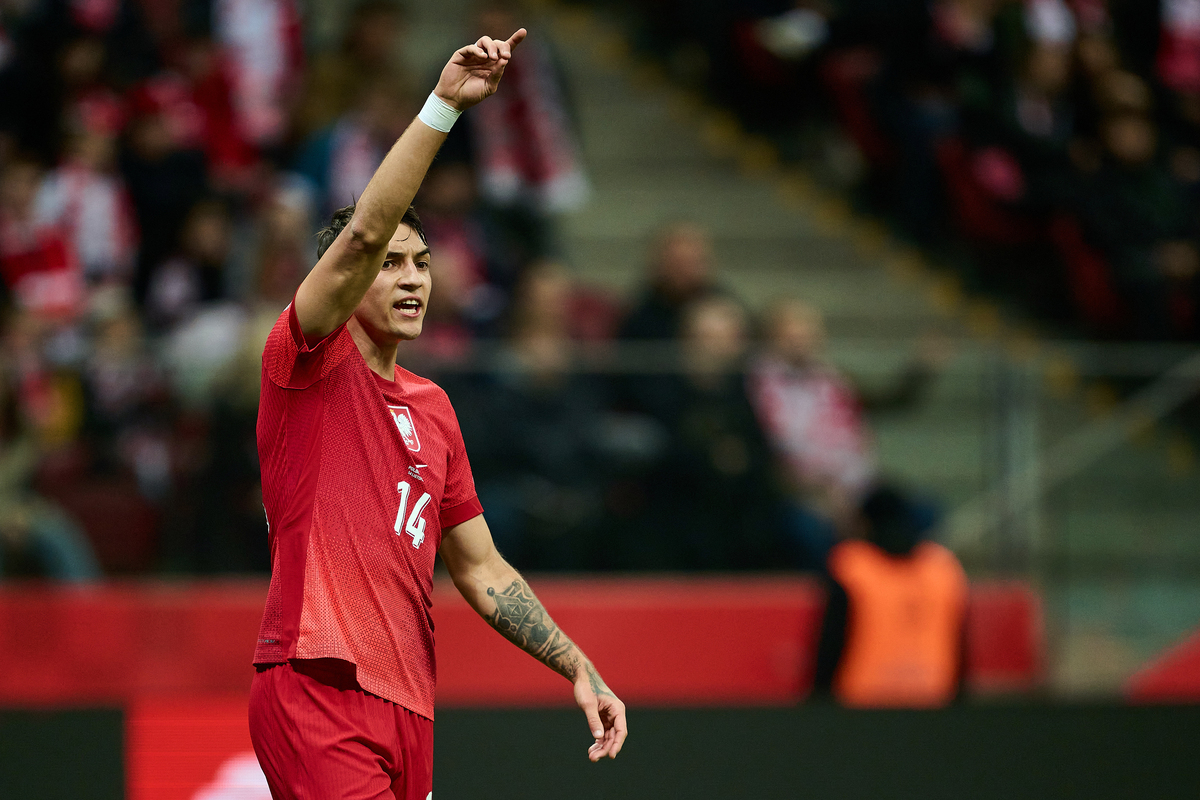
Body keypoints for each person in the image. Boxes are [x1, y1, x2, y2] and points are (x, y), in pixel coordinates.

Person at [247, 29, 626, 800]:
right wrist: (444, 107)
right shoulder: (306, 361)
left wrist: (576, 665)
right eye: (392, 264)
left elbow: (481, 569)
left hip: (409, 706)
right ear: (349, 282)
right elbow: (358, 234)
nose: (413, 278)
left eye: (422, 262)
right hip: (318, 680)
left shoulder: (435, 407)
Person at [812, 486, 969, 708]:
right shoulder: (943, 568)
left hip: (860, 706)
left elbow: (831, 643)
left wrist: (817, 702)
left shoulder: (851, 567)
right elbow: (961, 647)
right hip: (933, 703)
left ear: (865, 523)